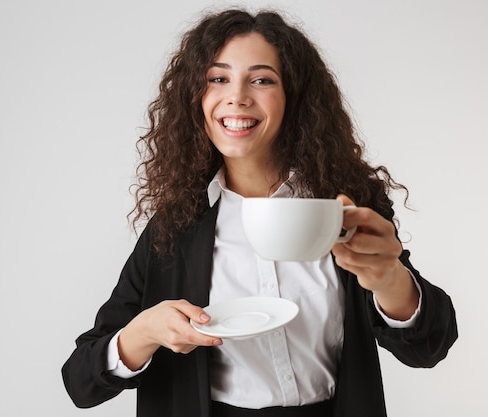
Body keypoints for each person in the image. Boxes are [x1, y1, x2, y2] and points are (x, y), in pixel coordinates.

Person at [62, 8, 457, 417]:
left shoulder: (344, 209)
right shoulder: (176, 226)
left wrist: (389, 279)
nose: (237, 96)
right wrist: (143, 333)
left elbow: (431, 347)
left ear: (294, 96)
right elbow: (80, 382)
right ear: (196, 97)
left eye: (262, 79)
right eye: (218, 79)